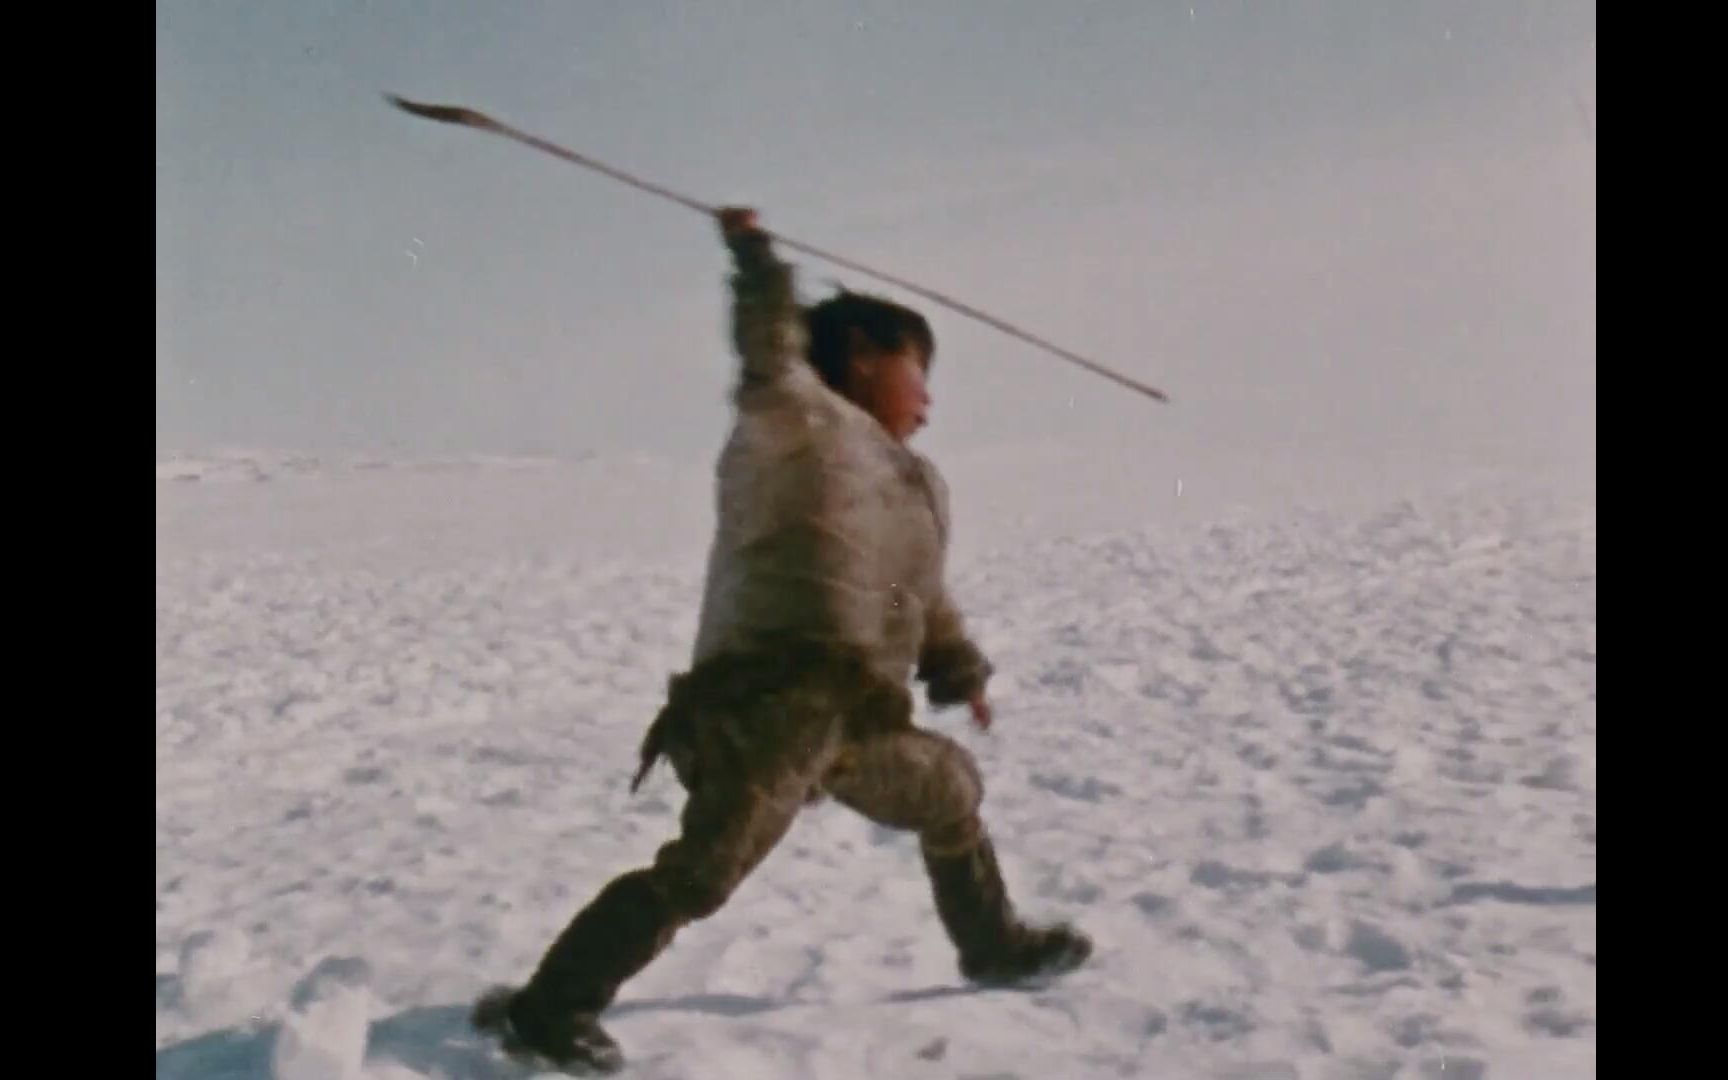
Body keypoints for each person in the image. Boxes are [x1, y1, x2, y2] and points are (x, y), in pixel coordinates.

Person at [474, 207, 1091, 1073]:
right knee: (706, 872)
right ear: (865, 360)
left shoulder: (916, 481)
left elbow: (921, 593)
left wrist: (957, 668)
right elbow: (769, 354)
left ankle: (991, 944)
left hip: (858, 713)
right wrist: (758, 265)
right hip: (770, 703)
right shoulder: (800, 424)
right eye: (919, 370)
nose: (930, 397)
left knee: (949, 787)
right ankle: (547, 1008)